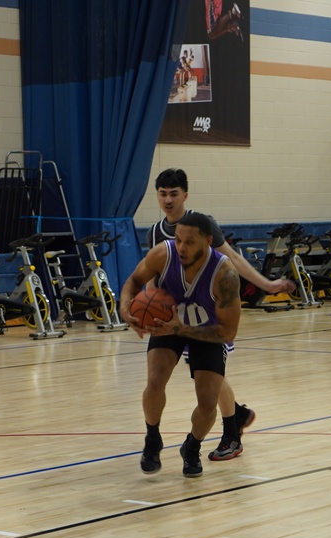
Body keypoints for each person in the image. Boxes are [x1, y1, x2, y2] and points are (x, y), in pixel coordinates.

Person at [144, 168, 294, 461]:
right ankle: (237, 415)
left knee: (212, 375)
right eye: (163, 194)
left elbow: (232, 258)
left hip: (207, 313)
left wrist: (267, 284)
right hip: (176, 315)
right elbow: (155, 273)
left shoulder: (203, 224)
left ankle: (232, 431)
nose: (168, 200)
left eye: (174, 194)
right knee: (195, 375)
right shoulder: (155, 232)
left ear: (185, 195)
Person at [120, 211, 241, 478]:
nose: (182, 248)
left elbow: (229, 330)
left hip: (208, 332)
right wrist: (126, 307)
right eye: (178, 240)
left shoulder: (225, 274)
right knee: (155, 381)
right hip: (167, 325)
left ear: (208, 242)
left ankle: (192, 446)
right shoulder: (163, 255)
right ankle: (153, 437)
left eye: (190, 242)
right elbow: (133, 281)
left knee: (208, 403)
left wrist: (182, 328)